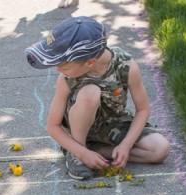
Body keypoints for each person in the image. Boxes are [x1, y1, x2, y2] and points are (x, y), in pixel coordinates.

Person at [25, 17, 170, 180]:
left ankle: (97, 150)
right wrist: (82, 153)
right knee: (90, 93)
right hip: (78, 125)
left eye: (64, 67)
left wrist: (126, 145)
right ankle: (77, 153)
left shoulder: (126, 65)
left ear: (90, 62)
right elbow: (53, 125)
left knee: (160, 150)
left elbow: (143, 110)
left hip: (113, 123)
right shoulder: (66, 78)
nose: (59, 70)